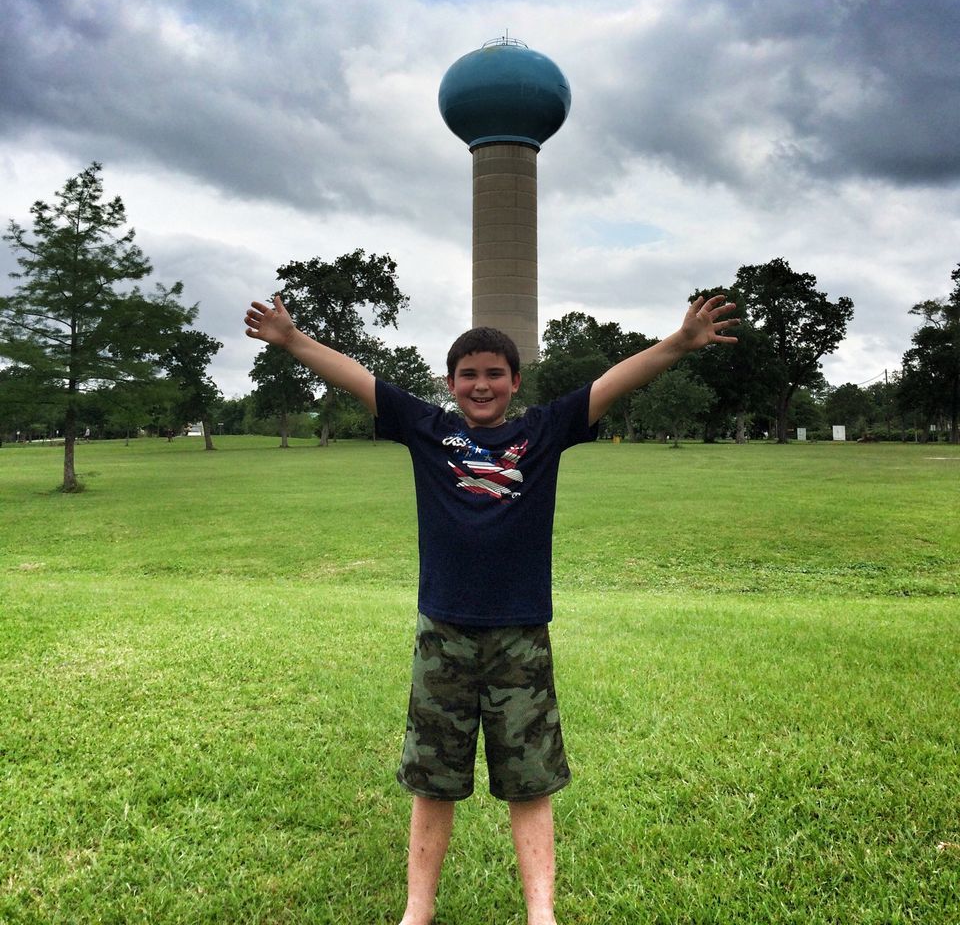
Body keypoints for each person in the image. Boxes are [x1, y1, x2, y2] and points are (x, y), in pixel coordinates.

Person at [244, 291, 737, 925]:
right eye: (469, 374)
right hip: (443, 634)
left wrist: (677, 344)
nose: (482, 385)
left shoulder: (541, 432)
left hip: (520, 636)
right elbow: (359, 378)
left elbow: (610, 383)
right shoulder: (428, 429)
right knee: (432, 782)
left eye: (494, 374)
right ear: (450, 383)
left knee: (530, 784)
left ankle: (542, 914)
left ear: (515, 382)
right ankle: (416, 912)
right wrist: (291, 340)